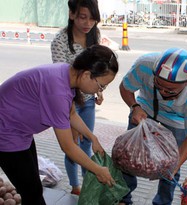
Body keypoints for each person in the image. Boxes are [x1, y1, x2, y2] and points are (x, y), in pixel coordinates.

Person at [0, 44, 118, 205]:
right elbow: (68, 147)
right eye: (101, 85)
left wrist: (93, 138)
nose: (100, 90)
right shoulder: (57, 90)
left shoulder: (66, 73)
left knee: (32, 187)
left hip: (19, 131)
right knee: (32, 192)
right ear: (86, 74)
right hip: (6, 132)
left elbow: (71, 114)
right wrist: (97, 170)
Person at [119, 48, 187, 205]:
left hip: (176, 121)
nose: (163, 92)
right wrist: (134, 107)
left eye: (171, 91)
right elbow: (125, 88)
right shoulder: (144, 65)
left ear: (186, 83)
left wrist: (175, 166)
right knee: (127, 155)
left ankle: (162, 202)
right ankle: (123, 198)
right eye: (158, 85)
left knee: (171, 165)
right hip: (144, 108)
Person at [50, 0, 102, 195]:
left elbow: (96, 69)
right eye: (83, 17)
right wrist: (70, 117)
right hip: (68, 103)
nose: (88, 23)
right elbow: (60, 80)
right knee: (72, 146)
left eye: (92, 18)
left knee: (87, 143)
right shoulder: (60, 41)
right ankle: (75, 187)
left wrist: (98, 91)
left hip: (88, 102)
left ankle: (88, 183)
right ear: (72, 14)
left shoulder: (94, 35)